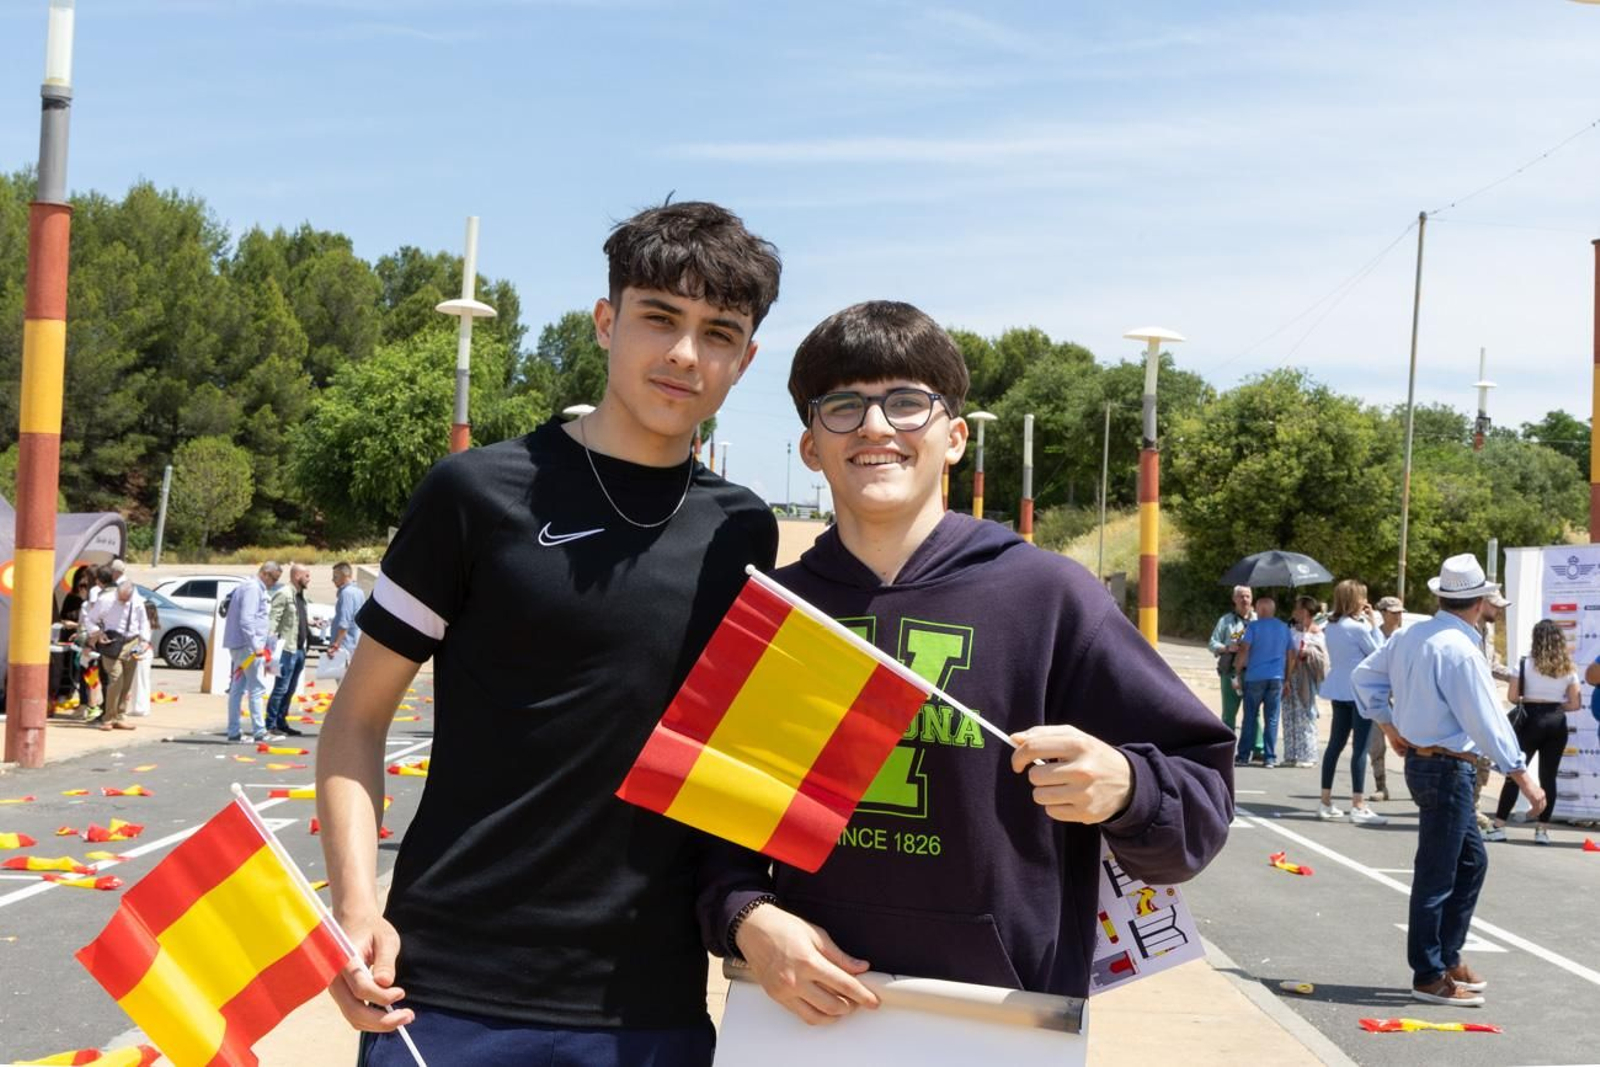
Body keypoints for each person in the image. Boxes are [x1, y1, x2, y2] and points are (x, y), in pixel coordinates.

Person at [318, 200, 781, 1067]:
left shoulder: (743, 533)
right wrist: (352, 907)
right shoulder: (475, 494)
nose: (686, 353)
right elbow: (355, 721)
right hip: (447, 990)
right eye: (659, 318)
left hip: (649, 1002)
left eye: (718, 332)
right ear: (606, 323)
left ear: (744, 360)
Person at [699, 300, 1234, 1018]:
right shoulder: (779, 613)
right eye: (844, 405)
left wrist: (1129, 783)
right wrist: (746, 916)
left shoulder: (1049, 598)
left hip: (1006, 1021)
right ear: (809, 446)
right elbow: (706, 831)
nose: (875, 425)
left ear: (954, 437)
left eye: (907, 403)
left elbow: (1199, 799)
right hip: (804, 1016)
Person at [1352, 553, 1545, 1007]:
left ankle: (1445, 957)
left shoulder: (1412, 634)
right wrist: (1525, 778)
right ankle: (1429, 972)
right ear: (1479, 602)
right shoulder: (1459, 649)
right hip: (1447, 765)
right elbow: (1487, 721)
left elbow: (1365, 678)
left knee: (1467, 863)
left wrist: (1389, 725)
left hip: (1429, 762)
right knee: (1440, 872)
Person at [1487, 619, 1578, 845]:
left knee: (1515, 772)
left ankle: (1499, 826)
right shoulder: (1567, 667)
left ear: (1535, 638)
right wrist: (1555, 706)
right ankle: (1542, 831)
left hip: (1529, 720)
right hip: (1556, 722)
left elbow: (1511, 697)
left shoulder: (1524, 664)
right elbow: (1575, 704)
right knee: (1549, 777)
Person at [1318, 579, 1386, 823]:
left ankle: (1325, 800)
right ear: (1354, 600)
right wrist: (1375, 625)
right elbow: (1379, 653)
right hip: (1359, 691)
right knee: (1360, 747)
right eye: (1362, 597)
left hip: (1338, 688)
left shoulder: (1332, 625)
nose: (1365, 602)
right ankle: (1358, 804)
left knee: (1335, 745)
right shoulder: (1358, 628)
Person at [82, 578, 150, 732]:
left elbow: (143, 622)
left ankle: (119, 715)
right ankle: (108, 718)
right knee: (116, 678)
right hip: (111, 642)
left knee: (127, 681)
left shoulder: (137, 602)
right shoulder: (105, 600)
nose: (124, 601)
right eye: (121, 598)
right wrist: (98, 634)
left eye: (127, 599)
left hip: (132, 642)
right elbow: (90, 619)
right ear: (117, 593)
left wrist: (144, 641)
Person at [223, 561, 280, 743]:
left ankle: (234, 731)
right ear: (264, 573)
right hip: (248, 647)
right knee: (256, 688)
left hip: (242, 645)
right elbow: (247, 620)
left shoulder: (249, 587)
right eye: (273, 578)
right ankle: (259, 731)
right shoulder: (253, 589)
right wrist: (256, 646)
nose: (273, 583)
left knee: (238, 688)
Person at [1233, 594, 1292, 768]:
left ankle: (1243, 755)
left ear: (1261, 610)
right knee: (1272, 718)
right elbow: (1292, 654)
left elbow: (1244, 649)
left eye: (1257, 608)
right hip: (1276, 678)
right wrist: (1288, 678)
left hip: (1255, 677)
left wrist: (1237, 670)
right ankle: (1270, 757)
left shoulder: (1253, 627)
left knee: (1250, 716)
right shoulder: (1284, 627)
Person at [1208, 586, 1260, 759]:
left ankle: (1258, 748)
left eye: (1247, 596)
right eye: (1241, 596)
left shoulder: (1259, 620)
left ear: (1252, 599)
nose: (1244, 600)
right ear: (1234, 599)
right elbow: (1212, 643)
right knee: (1229, 713)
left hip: (1253, 672)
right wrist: (1227, 647)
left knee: (1254, 711)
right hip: (1231, 673)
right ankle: (1227, 749)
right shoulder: (1226, 621)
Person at [265, 563, 313, 737]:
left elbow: (299, 618)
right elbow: (273, 620)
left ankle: (282, 721)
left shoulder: (300, 596)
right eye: (306, 575)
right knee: (281, 688)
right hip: (286, 649)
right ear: (297, 576)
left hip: (299, 649)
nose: (309, 579)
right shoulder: (284, 594)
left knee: (291, 688)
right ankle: (270, 724)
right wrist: (269, 646)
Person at [1366, 595, 1407, 800]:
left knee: (1409, 740)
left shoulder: (1405, 636)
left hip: (1403, 695)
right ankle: (1380, 785)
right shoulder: (1374, 635)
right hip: (1381, 694)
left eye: (1400, 612)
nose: (1398, 616)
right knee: (1376, 743)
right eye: (1394, 612)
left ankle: (1415, 785)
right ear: (1382, 613)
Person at [1281, 595, 1327, 768]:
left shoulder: (1316, 632)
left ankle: (1308, 754)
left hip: (1305, 677)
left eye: (1298, 607)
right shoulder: (1291, 629)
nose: (1294, 611)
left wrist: (1308, 652)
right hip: (1288, 675)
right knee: (1289, 713)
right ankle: (1291, 754)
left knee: (1305, 714)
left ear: (1305, 611)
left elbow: (1322, 656)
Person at [329, 562, 365, 659]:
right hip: (354, 643)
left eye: (335, 577)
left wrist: (336, 644)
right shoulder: (359, 591)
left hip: (344, 646)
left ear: (344, 576)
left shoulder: (346, 593)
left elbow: (344, 622)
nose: (333, 580)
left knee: (338, 673)